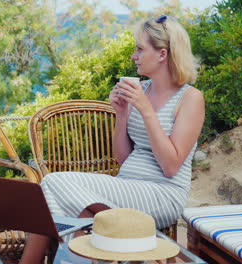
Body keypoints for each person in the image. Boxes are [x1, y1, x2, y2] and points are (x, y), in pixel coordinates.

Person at [20, 15, 205, 264]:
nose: (133, 55)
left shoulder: (190, 98)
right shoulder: (144, 90)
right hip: (128, 185)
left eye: (140, 48)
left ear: (162, 54)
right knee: (73, 207)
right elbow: (124, 159)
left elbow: (171, 166)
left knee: (54, 182)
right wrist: (122, 115)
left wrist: (146, 111)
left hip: (163, 194)